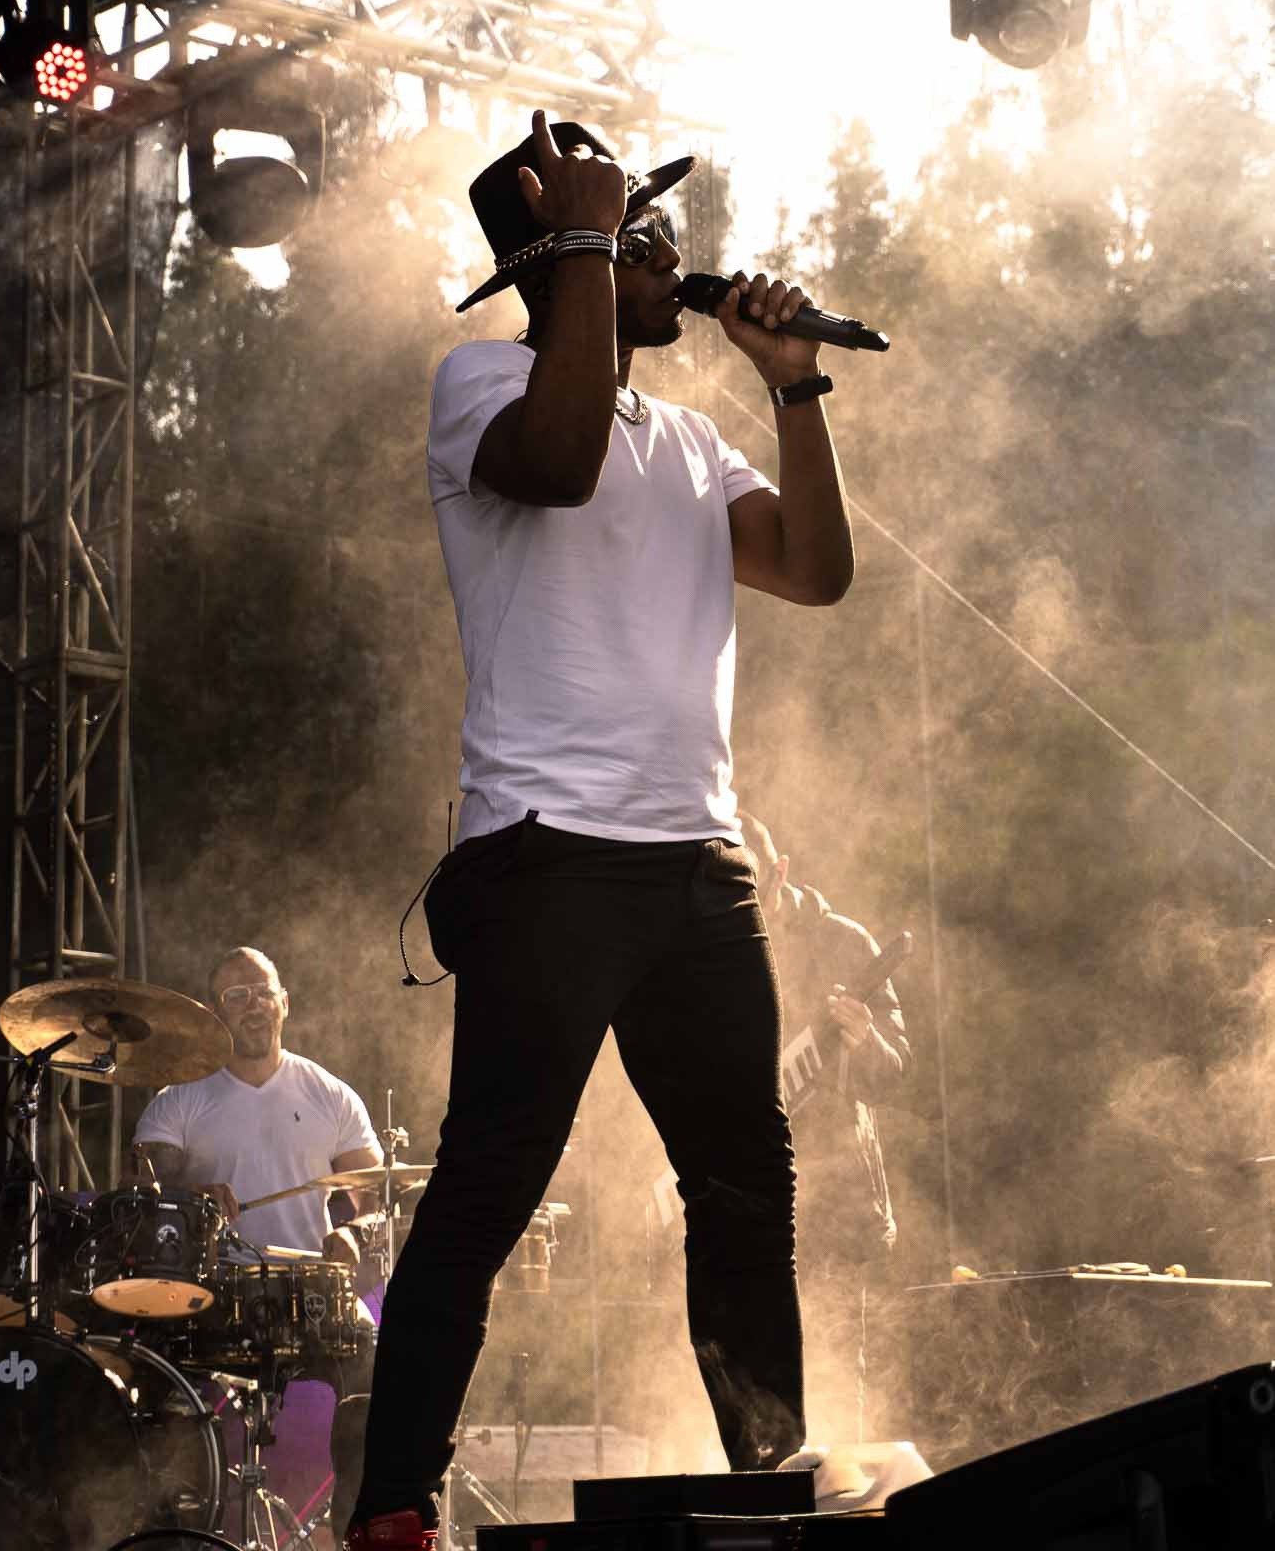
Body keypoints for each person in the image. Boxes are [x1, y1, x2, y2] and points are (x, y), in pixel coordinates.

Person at [344, 111, 856, 1551]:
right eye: (641, 239)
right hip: (546, 854)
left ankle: (769, 1477)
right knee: (492, 1182)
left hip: (695, 863)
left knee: (745, 1181)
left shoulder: (692, 438)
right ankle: (391, 1508)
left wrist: (796, 389)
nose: (675, 260)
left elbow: (815, 573)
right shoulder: (477, 390)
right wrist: (577, 232)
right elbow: (557, 466)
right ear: (565, 257)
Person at [133, 945, 383, 1542]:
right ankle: (177, 1533)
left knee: (380, 1372)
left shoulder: (330, 1094)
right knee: (155, 1387)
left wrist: (350, 1231)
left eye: (261, 992)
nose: (251, 1006)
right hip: (211, 1295)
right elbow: (144, 1189)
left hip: (311, 1293)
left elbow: (376, 1193)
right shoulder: (181, 1099)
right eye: (234, 996)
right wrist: (190, 1193)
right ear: (215, 1014)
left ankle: (365, 1525)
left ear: (284, 1003)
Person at [740, 811, 911, 1443]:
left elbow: (899, 1073)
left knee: (837, 1372)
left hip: (835, 1205)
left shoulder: (843, 940)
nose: (741, 903)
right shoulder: (708, 944)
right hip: (747, 1199)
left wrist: (864, 1041)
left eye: (753, 885)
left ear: (780, 873)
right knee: (745, 1376)